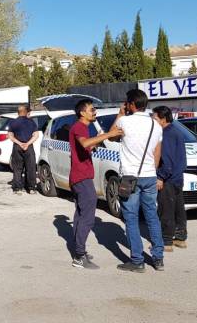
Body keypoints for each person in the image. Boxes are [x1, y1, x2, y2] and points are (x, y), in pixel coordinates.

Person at [110, 89, 165, 273]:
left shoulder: (124, 121)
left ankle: (137, 260)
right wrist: (154, 172)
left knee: (131, 219)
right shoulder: (155, 125)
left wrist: (119, 114)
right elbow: (157, 152)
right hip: (149, 175)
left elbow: (110, 135)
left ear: (131, 104)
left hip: (130, 177)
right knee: (152, 216)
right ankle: (158, 258)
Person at [69, 99, 124, 269]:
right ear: (82, 113)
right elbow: (85, 143)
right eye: (92, 109)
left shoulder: (85, 127)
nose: (94, 112)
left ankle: (79, 250)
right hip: (81, 178)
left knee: (80, 215)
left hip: (81, 177)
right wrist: (106, 135)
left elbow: (89, 145)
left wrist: (120, 116)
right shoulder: (79, 127)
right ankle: (79, 256)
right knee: (87, 217)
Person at [152, 105, 188, 251]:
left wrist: (160, 177)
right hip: (178, 178)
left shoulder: (166, 134)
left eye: (154, 118)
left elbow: (167, 160)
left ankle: (166, 242)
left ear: (163, 119)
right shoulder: (176, 131)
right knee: (179, 209)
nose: (152, 120)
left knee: (166, 209)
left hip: (168, 179)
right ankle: (180, 238)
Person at [8, 104, 40, 195]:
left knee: (17, 168)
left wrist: (19, 143)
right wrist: (27, 143)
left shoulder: (13, 122)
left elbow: (10, 136)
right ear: (26, 112)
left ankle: (17, 188)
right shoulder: (32, 122)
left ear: (18, 112)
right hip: (28, 147)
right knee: (30, 168)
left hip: (17, 147)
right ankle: (31, 188)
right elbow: (36, 135)